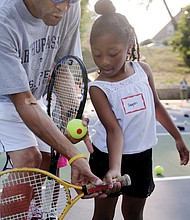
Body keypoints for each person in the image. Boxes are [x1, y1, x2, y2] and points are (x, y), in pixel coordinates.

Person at [0, 0, 121, 219]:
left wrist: (71, 112)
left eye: (71, 0)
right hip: (6, 96)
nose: (63, 8)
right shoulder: (4, 19)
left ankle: (25, 212)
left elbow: (63, 65)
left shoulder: (69, 10)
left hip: (33, 95)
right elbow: (23, 101)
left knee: (46, 158)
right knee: (30, 159)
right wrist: (75, 157)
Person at [88, 0, 190, 219]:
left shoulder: (143, 70)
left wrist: (177, 137)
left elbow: (156, 104)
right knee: (103, 215)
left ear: (128, 45)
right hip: (107, 157)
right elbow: (113, 129)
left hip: (141, 156)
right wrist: (114, 168)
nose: (104, 61)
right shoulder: (98, 88)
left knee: (134, 213)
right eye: (97, 54)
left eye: (113, 53)